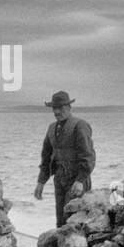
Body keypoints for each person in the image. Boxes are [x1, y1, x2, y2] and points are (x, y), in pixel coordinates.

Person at [33, 90, 95, 227]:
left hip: (77, 180)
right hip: (59, 179)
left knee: (74, 220)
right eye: (54, 108)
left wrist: (80, 180)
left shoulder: (80, 125)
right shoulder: (51, 128)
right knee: (61, 220)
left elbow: (88, 155)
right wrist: (41, 182)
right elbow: (46, 157)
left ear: (69, 108)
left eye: (60, 108)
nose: (56, 112)